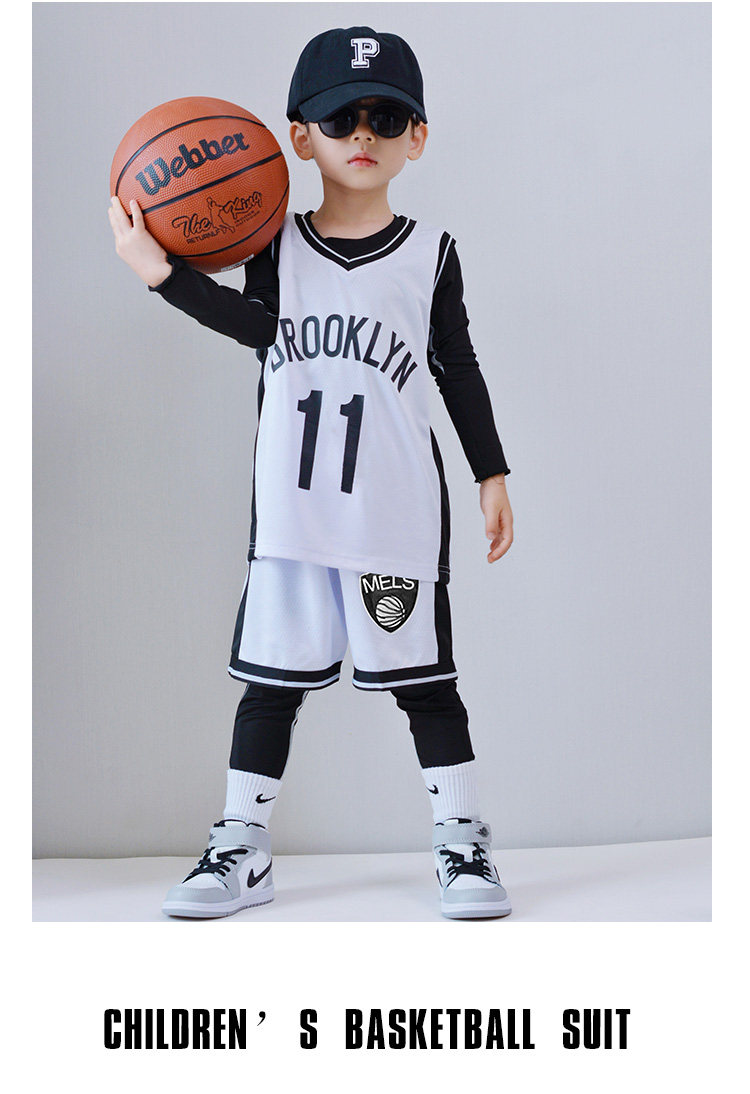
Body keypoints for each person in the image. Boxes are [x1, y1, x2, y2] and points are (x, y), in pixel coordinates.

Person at [108, 26, 514, 920]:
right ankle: (241, 848)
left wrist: (491, 472)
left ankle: (462, 842)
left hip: (394, 514)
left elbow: (457, 365)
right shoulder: (274, 247)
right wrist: (160, 273)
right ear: (298, 137)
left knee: (425, 683)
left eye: (385, 118)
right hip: (294, 515)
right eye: (340, 119)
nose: (362, 134)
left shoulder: (432, 251)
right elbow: (257, 329)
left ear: (416, 137)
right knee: (270, 685)